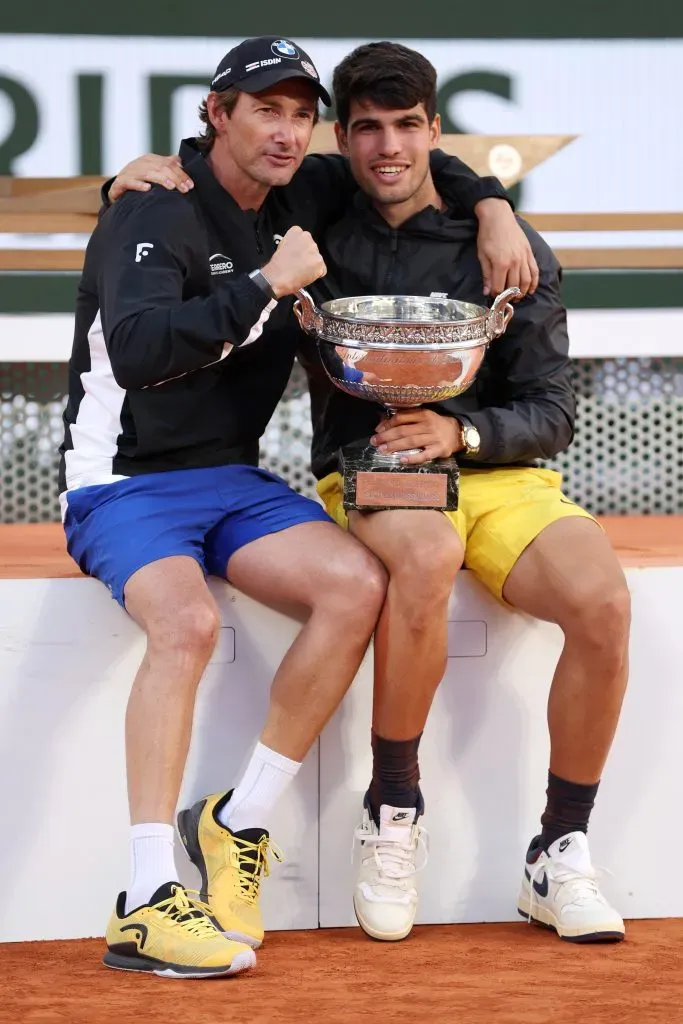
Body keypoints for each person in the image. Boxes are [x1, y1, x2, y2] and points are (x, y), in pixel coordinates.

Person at [67, 36, 536, 978]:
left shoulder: (297, 199)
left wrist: (492, 204)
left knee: (357, 584)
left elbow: (402, 154)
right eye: (263, 110)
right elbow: (142, 349)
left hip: (232, 479)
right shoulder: (152, 207)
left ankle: (237, 821)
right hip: (124, 482)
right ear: (215, 116)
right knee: (188, 624)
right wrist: (265, 284)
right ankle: (146, 895)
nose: (285, 131)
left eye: (298, 112)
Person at [299, 41, 631, 945]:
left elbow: (554, 410)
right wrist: (133, 180)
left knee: (602, 602)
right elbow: (224, 181)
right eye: (366, 128)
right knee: (429, 556)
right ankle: (393, 810)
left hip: (499, 468)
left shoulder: (511, 250)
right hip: (372, 463)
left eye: (406, 125)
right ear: (342, 137)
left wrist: (466, 431)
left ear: (434, 130)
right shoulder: (318, 208)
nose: (387, 148)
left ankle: (557, 850)